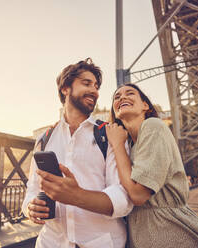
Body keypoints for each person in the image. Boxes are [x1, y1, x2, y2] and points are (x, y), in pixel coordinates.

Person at [21, 58, 133, 248]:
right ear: (65, 88)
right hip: (51, 243)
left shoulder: (109, 134)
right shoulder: (44, 139)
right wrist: (31, 208)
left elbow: (123, 198)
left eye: (96, 86)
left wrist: (76, 196)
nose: (94, 91)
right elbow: (31, 191)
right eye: (86, 83)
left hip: (102, 243)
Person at [105, 83, 198, 248]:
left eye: (130, 93)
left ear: (145, 105)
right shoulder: (129, 145)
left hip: (172, 232)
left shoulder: (153, 127)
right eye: (117, 97)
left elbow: (138, 194)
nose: (122, 97)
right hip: (143, 234)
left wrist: (116, 145)